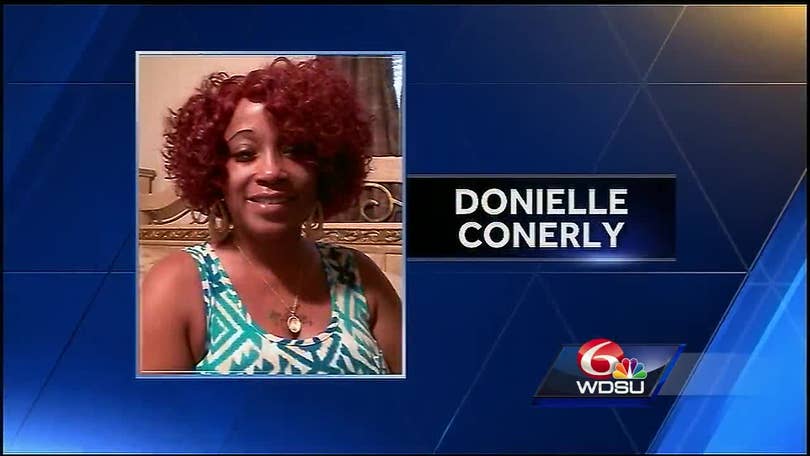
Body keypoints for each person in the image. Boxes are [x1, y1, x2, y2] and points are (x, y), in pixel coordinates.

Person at [140, 57, 402, 375]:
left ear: (324, 170)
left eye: (295, 151)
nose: (272, 171)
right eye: (245, 154)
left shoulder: (360, 274)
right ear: (216, 175)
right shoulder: (176, 285)